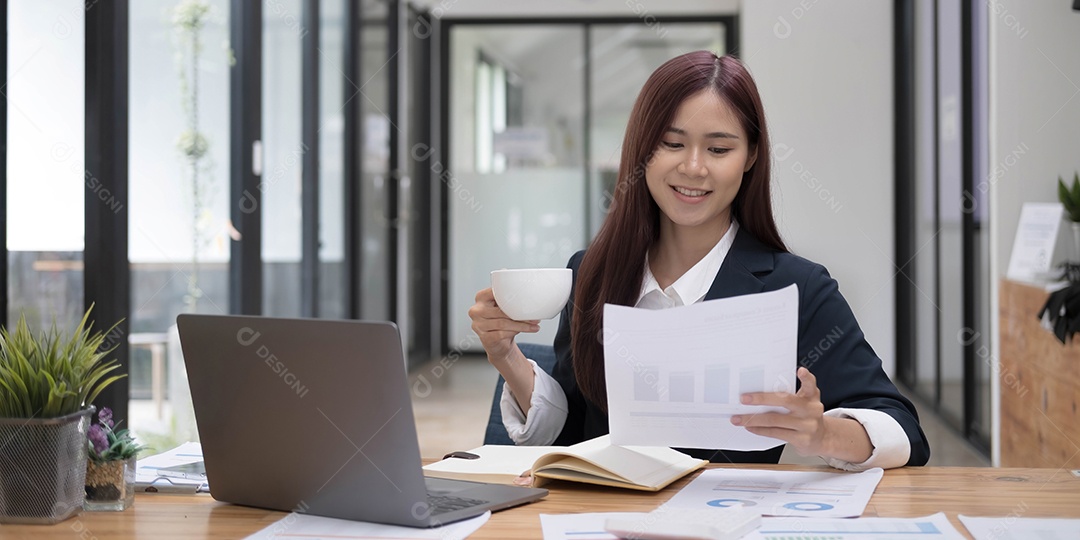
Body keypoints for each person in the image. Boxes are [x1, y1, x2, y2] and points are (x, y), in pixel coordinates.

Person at [468, 51, 930, 469]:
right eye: (672, 143)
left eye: (719, 148)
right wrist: (507, 356)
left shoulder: (795, 287)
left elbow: (904, 432)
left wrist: (823, 433)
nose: (693, 167)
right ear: (642, 151)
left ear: (750, 157)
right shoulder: (593, 273)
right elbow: (569, 438)